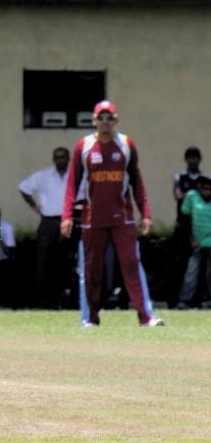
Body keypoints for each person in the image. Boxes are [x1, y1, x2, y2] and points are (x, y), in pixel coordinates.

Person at [60, 100, 163, 327]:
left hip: (122, 217)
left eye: (110, 118)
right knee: (91, 270)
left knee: (132, 264)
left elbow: (137, 182)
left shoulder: (126, 144)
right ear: (94, 121)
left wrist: (145, 213)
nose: (105, 122)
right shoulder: (83, 146)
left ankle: (146, 317)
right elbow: (71, 184)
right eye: (101, 118)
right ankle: (90, 318)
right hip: (91, 217)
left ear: (116, 120)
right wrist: (66, 216)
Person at [18, 147, 74, 308]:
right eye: (57, 157)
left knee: (65, 261)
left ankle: (64, 298)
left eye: (63, 157)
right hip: (48, 222)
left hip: (68, 221)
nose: (60, 160)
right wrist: (34, 206)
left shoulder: (75, 175)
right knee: (44, 261)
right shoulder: (43, 176)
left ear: (68, 158)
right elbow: (23, 187)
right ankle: (43, 300)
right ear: (53, 159)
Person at [173, 147, 207, 308]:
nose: (192, 160)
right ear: (186, 159)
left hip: (200, 229)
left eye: (195, 157)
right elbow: (178, 195)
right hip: (183, 226)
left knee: (199, 268)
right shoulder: (179, 177)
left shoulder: (204, 179)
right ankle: (177, 299)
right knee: (180, 264)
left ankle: (196, 299)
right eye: (190, 157)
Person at [178, 176, 211, 308]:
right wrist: (191, 239)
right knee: (192, 270)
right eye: (205, 188)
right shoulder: (192, 197)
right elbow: (185, 217)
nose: (208, 191)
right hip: (196, 241)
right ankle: (185, 300)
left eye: (210, 189)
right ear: (199, 189)